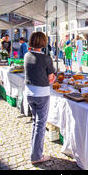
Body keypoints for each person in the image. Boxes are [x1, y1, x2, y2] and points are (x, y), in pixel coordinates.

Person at [24, 32, 56, 164]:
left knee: (35, 122)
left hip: (29, 92)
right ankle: (36, 156)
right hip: (41, 93)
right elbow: (50, 79)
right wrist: (52, 78)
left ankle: (34, 151)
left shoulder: (26, 55)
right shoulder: (46, 58)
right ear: (43, 42)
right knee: (40, 125)